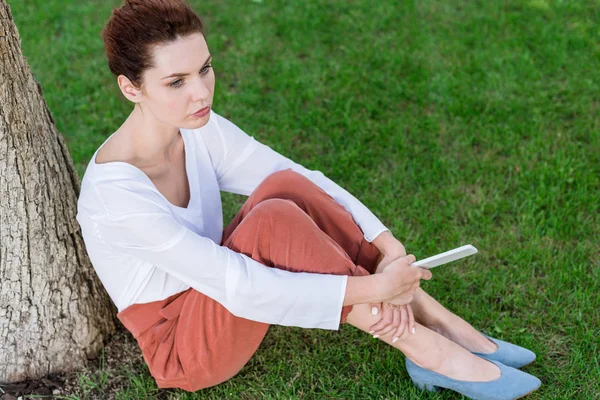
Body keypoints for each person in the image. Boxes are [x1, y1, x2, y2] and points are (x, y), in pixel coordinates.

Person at [75, 0, 541, 398]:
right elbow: (237, 282)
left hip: (218, 291)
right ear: (130, 87)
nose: (201, 92)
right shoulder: (117, 198)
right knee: (273, 220)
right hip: (183, 343)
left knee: (286, 188)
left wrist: (387, 244)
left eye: (205, 68)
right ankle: (427, 349)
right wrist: (374, 289)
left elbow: (296, 176)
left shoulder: (197, 127)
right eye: (176, 82)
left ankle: (437, 319)